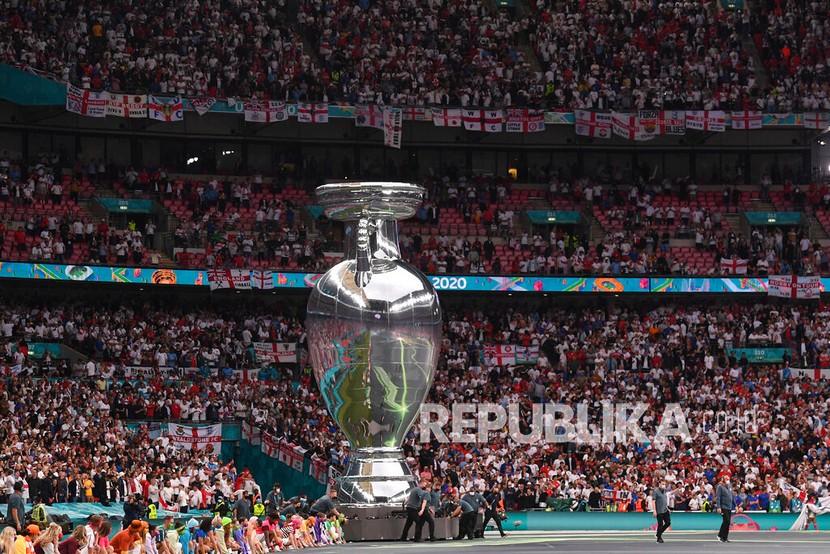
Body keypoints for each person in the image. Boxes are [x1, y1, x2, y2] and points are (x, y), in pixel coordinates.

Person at [653, 476, 684, 543]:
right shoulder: (656, 491)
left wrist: (678, 489)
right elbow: (653, 501)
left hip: (665, 510)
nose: (664, 485)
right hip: (659, 511)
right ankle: (659, 538)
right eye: (662, 484)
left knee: (668, 523)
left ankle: (658, 533)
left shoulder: (664, 491)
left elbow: (669, 494)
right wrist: (654, 510)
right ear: (659, 484)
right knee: (660, 524)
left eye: (664, 484)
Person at [715, 474, 735, 543]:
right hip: (723, 507)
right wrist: (718, 507)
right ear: (723, 479)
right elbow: (718, 497)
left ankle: (725, 537)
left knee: (728, 522)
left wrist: (736, 505)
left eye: (728, 479)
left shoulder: (729, 486)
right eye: (726, 479)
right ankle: (720, 535)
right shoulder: (720, 487)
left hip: (729, 507)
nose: (728, 480)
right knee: (726, 521)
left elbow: (732, 496)